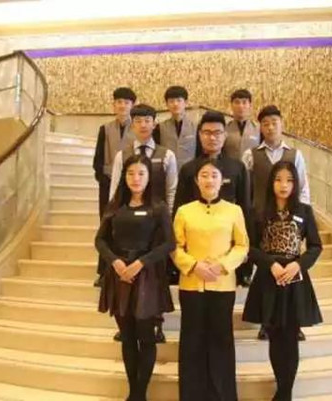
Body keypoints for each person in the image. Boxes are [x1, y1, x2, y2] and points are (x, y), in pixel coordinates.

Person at [95, 154, 175, 401]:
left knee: (146, 336)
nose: (135, 178)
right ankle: (134, 393)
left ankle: (140, 394)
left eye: (141, 173)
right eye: (130, 173)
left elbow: (169, 243)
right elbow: (100, 240)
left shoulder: (158, 207)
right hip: (119, 275)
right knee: (127, 337)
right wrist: (115, 261)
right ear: (124, 176)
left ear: (149, 177)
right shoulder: (115, 206)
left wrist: (141, 263)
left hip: (146, 276)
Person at [242, 161, 323, 401]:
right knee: (275, 336)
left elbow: (315, 246)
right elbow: (250, 248)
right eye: (278, 179)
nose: (284, 185)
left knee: (290, 338)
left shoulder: (304, 211)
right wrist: (271, 264)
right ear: (271, 183)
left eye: (289, 180)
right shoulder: (259, 211)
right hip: (269, 278)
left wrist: (298, 264)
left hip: (294, 279)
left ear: (295, 184)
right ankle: (282, 389)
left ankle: (284, 393)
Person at [173, 158, 249, 401]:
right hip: (191, 284)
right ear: (197, 181)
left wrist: (222, 265)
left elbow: (242, 246)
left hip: (222, 285)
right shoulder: (184, 211)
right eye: (204, 175)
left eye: (214, 175)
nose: (209, 180)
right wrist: (193, 265)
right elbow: (175, 246)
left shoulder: (234, 210)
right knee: (192, 340)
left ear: (222, 181)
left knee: (221, 341)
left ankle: (221, 395)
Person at [241, 105, 311, 341]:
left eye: (274, 122)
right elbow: (246, 189)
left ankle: (294, 322)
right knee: (264, 271)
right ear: (260, 127)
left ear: (282, 124)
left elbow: (303, 187)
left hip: (290, 219)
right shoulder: (251, 155)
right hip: (262, 218)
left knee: (292, 269)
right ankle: (265, 321)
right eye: (266, 124)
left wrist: (302, 216)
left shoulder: (295, 155)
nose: (270, 127)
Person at [109, 103, 177, 344]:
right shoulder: (122, 155)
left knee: (155, 275)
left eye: (147, 120)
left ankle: (156, 323)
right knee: (128, 273)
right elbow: (115, 189)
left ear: (154, 124)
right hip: (130, 224)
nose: (143, 125)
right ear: (132, 124)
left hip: (157, 224)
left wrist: (167, 220)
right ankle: (126, 320)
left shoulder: (167, 154)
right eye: (138, 120)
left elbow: (171, 190)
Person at [173, 110, 251, 287]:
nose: (212, 137)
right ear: (200, 135)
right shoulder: (188, 169)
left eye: (217, 133)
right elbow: (179, 208)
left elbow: (245, 208)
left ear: (225, 135)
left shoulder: (237, 168)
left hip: (227, 251)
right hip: (194, 251)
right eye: (207, 133)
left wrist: (245, 258)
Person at [92, 87, 137, 288]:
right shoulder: (105, 128)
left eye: (126, 102)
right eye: (119, 102)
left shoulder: (138, 127)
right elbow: (98, 159)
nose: (122, 106)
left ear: (132, 105)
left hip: (132, 185)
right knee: (106, 228)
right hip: (108, 184)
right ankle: (104, 272)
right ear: (114, 105)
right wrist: (104, 180)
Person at [153, 85, 197, 170]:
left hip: (190, 171)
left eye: (179, 100)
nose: (175, 104)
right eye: (171, 101)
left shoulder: (196, 126)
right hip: (167, 170)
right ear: (167, 104)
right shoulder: (160, 127)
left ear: (186, 102)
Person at [223, 89, 261, 160]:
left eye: (244, 102)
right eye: (237, 102)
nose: (240, 106)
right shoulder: (225, 128)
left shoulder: (259, 129)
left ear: (250, 105)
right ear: (231, 105)